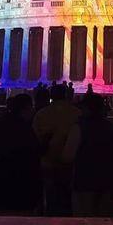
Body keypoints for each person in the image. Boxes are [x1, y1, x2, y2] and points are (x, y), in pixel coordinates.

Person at [63, 93, 113, 216]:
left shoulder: (79, 128)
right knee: (103, 220)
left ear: (86, 108)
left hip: (84, 180)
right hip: (106, 181)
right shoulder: (111, 128)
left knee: (83, 219)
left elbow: (68, 156)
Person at [0, 94, 42, 214]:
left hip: (0, 186)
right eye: (31, 107)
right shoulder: (26, 129)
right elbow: (34, 155)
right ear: (25, 109)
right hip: (23, 189)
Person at [33, 82, 81, 216]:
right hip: (70, 163)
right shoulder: (76, 113)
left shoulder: (42, 114)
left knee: (50, 195)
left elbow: (36, 137)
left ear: (51, 96)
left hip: (48, 161)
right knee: (68, 196)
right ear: (66, 95)